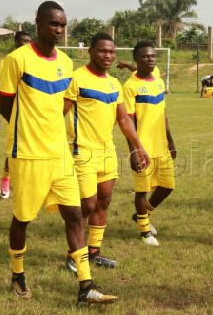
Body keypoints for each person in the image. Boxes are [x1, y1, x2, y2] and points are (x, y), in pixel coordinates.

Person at [0, 1, 116, 305]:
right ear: (37, 23)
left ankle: (85, 285)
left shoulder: (66, 62)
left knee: (75, 215)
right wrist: (26, 134)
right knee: (23, 219)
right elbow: (5, 105)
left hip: (60, 154)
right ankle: (18, 275)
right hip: (27, 155)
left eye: (63, 24)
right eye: (53, 23)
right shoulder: (16, 60)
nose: (59, 29)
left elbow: (61, 107)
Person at [63, 32, 150, 273]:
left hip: (107, 151)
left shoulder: (114, 84)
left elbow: (123, 119)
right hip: (81, 151)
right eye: (102, 51)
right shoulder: (76, 79)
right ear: (90, 51)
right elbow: (60, 113)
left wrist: (139, 147)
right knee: (86, 205)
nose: (108, 56)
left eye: (111, 52)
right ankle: (73, 255)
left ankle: (93, 251)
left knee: (104, 201)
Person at [123, 41, 175, 247]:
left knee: (168, 186)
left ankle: (141, 215)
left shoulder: (159, 81)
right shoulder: (130, 86)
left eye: (153, 56)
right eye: (145, 56)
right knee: (142, 190)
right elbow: (128, 122)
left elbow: (163, 114)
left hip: (161, 145)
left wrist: (171, 141)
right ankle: (145, 232)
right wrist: (134, 151)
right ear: (137, 60)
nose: (150, 59)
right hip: (142, 147)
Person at [0, 30, 32, 199]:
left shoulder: (33, 60)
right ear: (16, 42)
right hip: (15, 112)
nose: (26, 44)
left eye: (29, 41)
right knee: (14, 151)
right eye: (23, 41)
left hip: (32, 113)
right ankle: (5, 178)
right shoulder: (9, 60)